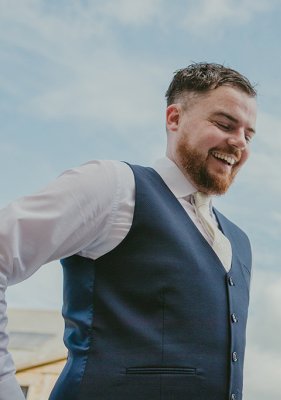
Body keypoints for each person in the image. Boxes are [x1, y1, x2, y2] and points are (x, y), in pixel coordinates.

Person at [0, 63, 257, 400]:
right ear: (174, 119)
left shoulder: (239, 242)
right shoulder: (115, 186)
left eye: (248, 134)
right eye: (225, 124)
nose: (238, 142)